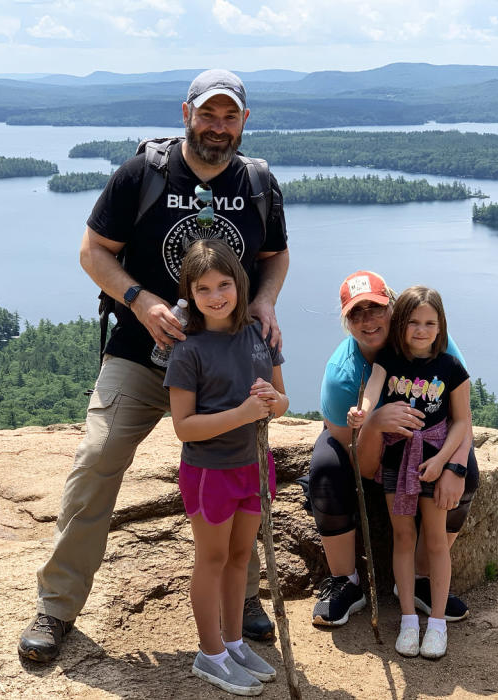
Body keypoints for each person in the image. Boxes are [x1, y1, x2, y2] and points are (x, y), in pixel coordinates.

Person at [19, 69, 290, 663]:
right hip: (144, 356)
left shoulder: (259, 183)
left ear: (244, 121)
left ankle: (239, 601)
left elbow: (274, 256)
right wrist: (140, 301)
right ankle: (58, 604)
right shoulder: (143, 173)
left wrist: (265, 300)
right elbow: (94, 251)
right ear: (185, 112)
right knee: (96, 462)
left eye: (229, 116)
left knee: (240, 473)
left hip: (226, 364)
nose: (217, 127)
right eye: (207, 114)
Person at [308, 270, 478, 628]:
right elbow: (362, 466)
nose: (368, 320)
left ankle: (419, 578)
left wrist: (456, 468)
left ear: (393, 306)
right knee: (325, 470)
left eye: (376, 308)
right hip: (364, 447)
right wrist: (373, 423)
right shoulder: (344, 374)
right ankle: (346, 581)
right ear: (346, 322)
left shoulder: (432, 343)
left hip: (430, 440)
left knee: (468, 474)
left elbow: (462, 417)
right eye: (357, 313)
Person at [165, 240, 288, 695]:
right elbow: (184, 427)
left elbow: (282, 398)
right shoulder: (188, 349)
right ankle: (209, 652)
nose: (216, 296)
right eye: (203, 289)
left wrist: (275, 404)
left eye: (224, 284)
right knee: (212, 559)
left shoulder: (258, 334)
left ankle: (233, 643)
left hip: (253, 467)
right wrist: (241, 413)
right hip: (210, 473)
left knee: (240, 558)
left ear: (240, 283)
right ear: (190, 295)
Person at [350, 285, 471, 659]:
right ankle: (407, 619)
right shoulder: (389, 359)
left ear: (441, 326)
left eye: (430, 323)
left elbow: (462, 421)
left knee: (434, 540)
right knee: (403, 536)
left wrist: (443, 463)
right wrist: (363, 413)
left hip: (432, 458)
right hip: (397, 457)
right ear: (401, 324)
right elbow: (372, 388)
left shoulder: (451, 367)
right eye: (414, 322)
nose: (421, 330)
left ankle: (436, 623)